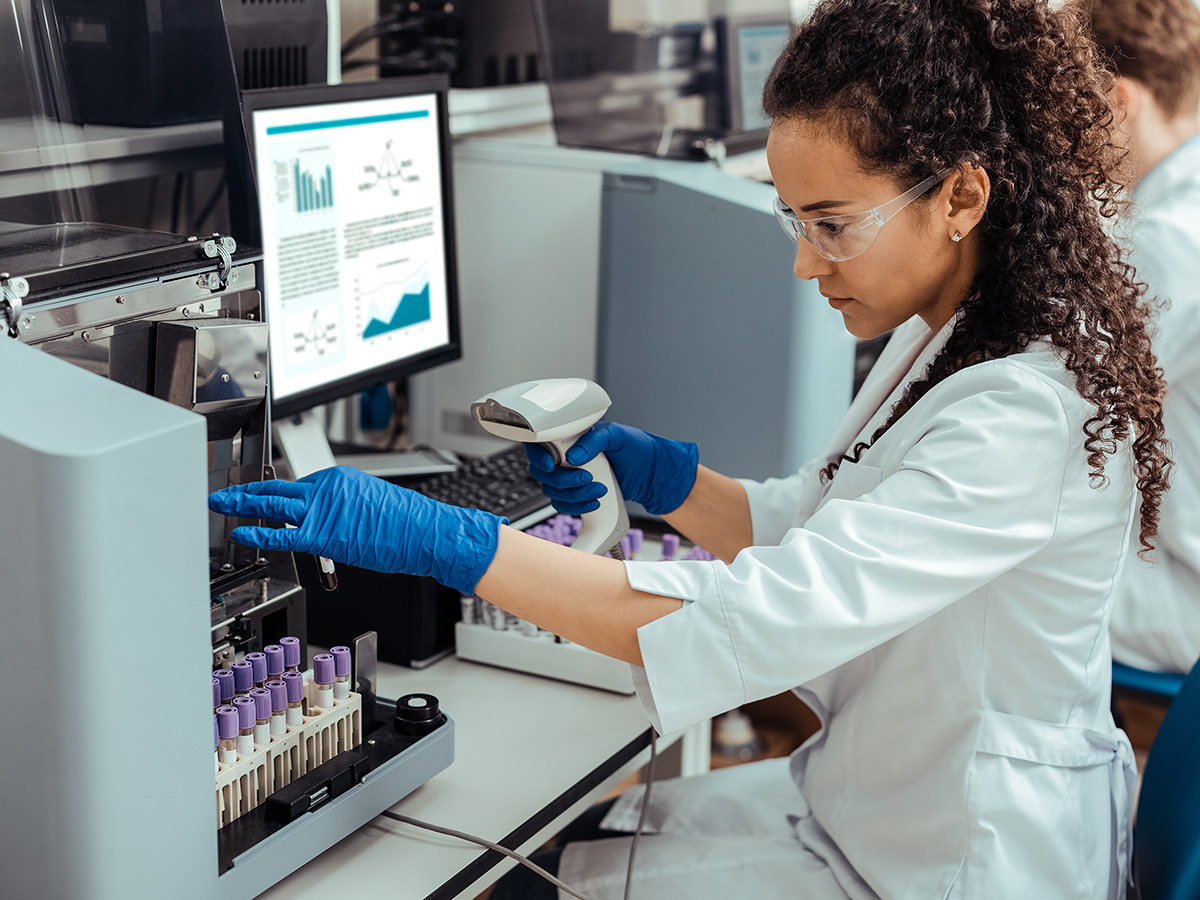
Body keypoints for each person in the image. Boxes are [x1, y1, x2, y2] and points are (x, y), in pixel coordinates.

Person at [209, 0, 1171, 896]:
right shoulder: (957, 326)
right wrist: (664, 478)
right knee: (572, 847)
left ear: (961, 194)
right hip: (874, 803)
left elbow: (761, 616)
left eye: (832, 225)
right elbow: (824, 522)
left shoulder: (1027, 410)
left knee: (533, 874)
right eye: (796, 221)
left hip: (962, 855)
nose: (804, 263)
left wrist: (452, 543)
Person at [1084, 0, 1200, 674]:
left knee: (984, 574)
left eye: (1070, 106)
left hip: (1179, 597)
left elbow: (1070, 401)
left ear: (1120, 101)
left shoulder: (1171, 244)